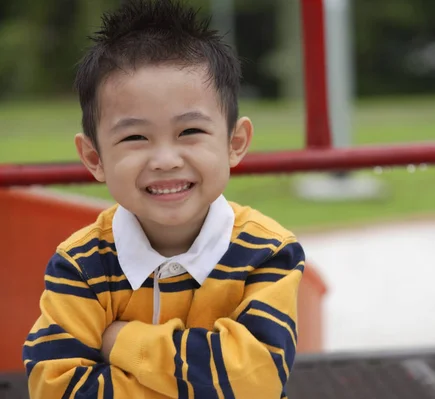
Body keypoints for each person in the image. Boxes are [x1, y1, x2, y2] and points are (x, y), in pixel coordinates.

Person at [22, 0, 305, 397]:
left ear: (234, 143)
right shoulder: (80, 264)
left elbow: (255, 379)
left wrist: (121, 341)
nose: (166, 160)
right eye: (135, 137)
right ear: (94, 158)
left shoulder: (267, 251)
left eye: (190, 131)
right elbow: (55, 388)